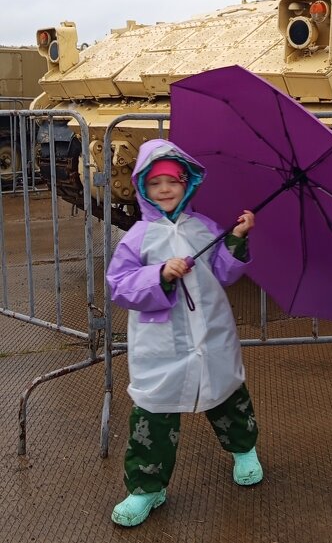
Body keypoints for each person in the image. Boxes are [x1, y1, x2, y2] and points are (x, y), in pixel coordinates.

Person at [106, 138, 263, 528]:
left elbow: (223, 272)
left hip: (211, 334)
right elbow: (120, 286)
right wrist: (159, 274)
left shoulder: (204, 227)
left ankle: (244, 449)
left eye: (172, 181)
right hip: (161, 345)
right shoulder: (138, 237)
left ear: (187, 182)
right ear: (143, 187)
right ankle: (146, 488)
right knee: (154, 414)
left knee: (226, 393)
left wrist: (236, 239)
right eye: (155, 183)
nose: (164, 189)